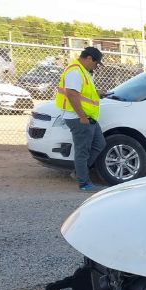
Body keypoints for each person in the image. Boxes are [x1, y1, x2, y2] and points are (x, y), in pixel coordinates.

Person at [56, 47, 106, 191]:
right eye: (96, 63)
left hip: (87, 117)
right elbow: (72, 94)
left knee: (99, 144)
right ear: (89, 58)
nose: (96, 66)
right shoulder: (75, 71)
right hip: (79, 118)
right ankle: (84, 183)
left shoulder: (82, 71)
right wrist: (82, 117)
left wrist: (98, 93)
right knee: (82, 150)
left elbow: (82, 92)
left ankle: (79, 173)